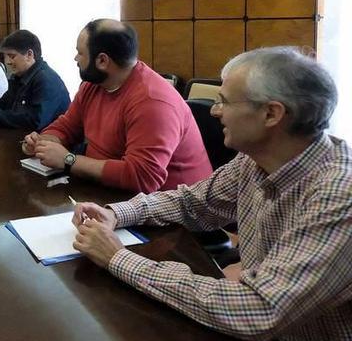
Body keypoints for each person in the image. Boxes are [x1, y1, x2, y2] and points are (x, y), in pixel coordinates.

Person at [71, 47, 352, 340]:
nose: (215, 111)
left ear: (271, 113)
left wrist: (118, 258)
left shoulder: (339, 195)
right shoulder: (255, 159)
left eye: (224, 101)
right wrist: (116, 213)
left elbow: (257, 311)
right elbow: (192, 203)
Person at [23, 19, 212, 193]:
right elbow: (67, 125)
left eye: (80, 52)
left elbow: (142, 177)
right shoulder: (93, 85)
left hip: (172, 211)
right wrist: (44, 142)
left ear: (102, 61)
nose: (75, 58)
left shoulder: (152, 102)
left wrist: (68, 160)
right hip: (111, 193)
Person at [0, 29, 70, 131]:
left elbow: (35, 121)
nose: (7, 62)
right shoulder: (19, 75)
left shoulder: (46, 80)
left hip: (49, 141)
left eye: (12, 56)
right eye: (5, 57)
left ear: (29, 55)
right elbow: (6, 103)